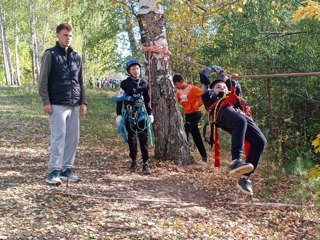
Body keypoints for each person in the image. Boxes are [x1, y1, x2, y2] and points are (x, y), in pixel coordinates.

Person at [200, 66, 267, 195]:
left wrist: (224, 75)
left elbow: (234, 86)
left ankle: (245, 178)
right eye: (218, 87)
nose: (222, 88)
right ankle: (236, 160)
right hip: (221, 113)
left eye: (223, 87)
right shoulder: (210, 96)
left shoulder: (234, 97)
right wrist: (211, 69)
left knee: (260, 141)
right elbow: (204, 79)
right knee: (240, 120)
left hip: (240, 116)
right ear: (212, 90)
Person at [38, 23, 87, 185]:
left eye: (70, 36)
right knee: (58, 137)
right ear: (58, 35)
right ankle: (53, 171)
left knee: (73, 138)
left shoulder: (76, 56)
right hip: (57, 103)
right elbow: (43, 79)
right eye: (65, 35)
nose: (68, 38)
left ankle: (67, 169)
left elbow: (80, 81)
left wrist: (83, 102)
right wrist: (46, 101)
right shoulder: (50, 54)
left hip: (74, 103)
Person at [115, 59, 154, 174]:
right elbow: (119, 100)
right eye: (133, 69)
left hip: (142, 114)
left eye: (137, 68)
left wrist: (150, 113)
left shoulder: (144, 83)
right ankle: (134, 160)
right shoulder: (124, 84)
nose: (136, 71)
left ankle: (145, 162)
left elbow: (147, 100)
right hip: (129, 115)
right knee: (132, 138)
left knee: (143, 138)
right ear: (129, 71)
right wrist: (119, 115)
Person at [173, 74, 208, 162]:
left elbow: (205, 95)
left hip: (196, 114)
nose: (176, 87)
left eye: (177, 84)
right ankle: (204, 156)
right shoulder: (178, 91)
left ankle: (183, 152)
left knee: (184, 130)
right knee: (196, 135)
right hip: (188, 115)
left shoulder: (192, 88)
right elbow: (179, 100)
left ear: (181, 82)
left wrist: (198, 104)